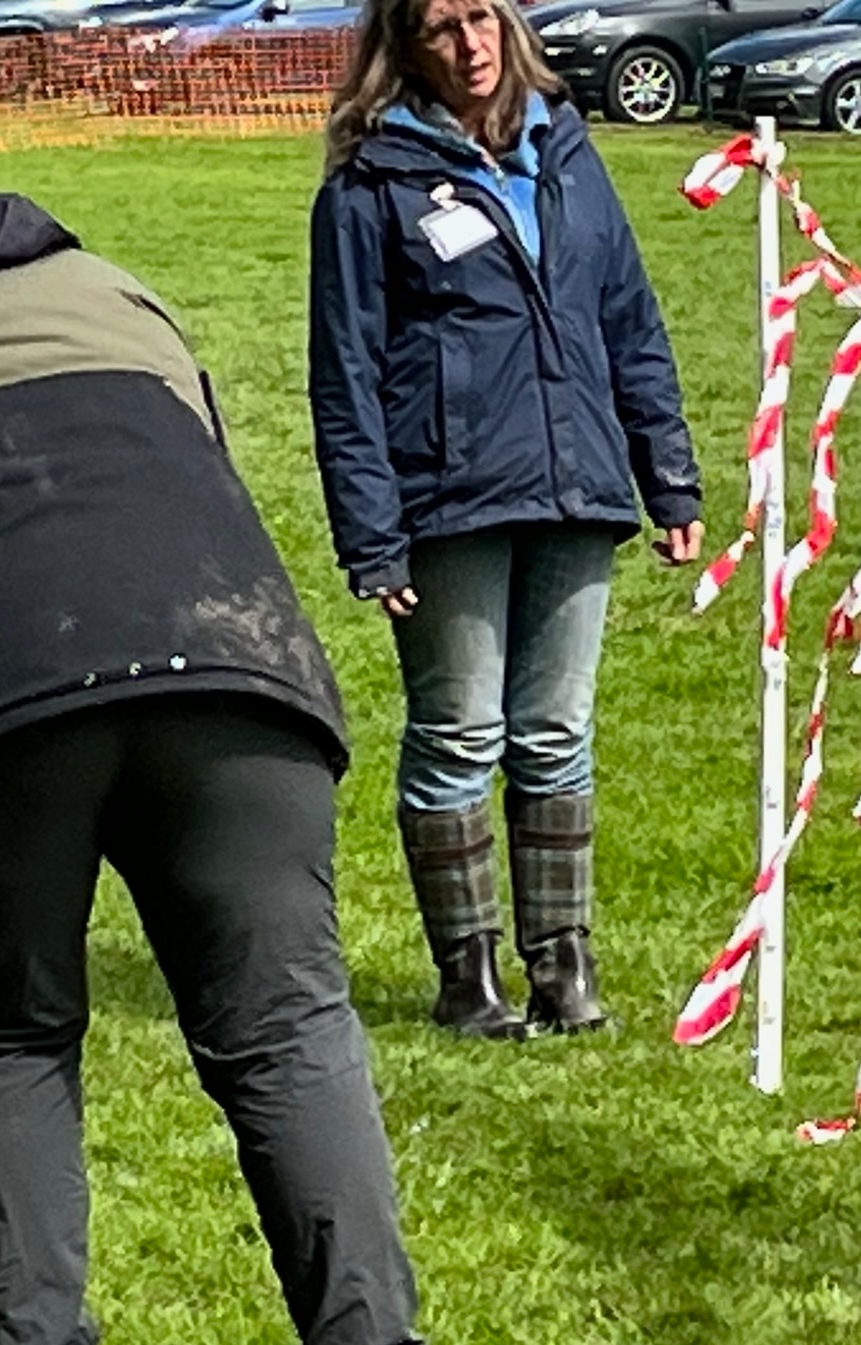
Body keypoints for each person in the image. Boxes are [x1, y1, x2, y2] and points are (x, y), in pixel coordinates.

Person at [0, 190, 435, 1345]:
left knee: (4, 1033)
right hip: (236, 667)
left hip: (12, 697)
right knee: (288, 1030)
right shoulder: (119, 291)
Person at [309, 0, 705, 1042]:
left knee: (557, 733)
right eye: (442, 26)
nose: (471, 45)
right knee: (458, 736)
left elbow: (629, 320)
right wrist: (373, 535)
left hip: (578, 486)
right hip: (448, 497)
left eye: (483, 16)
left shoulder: (566, 149)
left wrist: (668, 477)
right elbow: (344, 375)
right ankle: (468, 979)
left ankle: (563, 970)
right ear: (403, 47)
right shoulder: (368, 183)